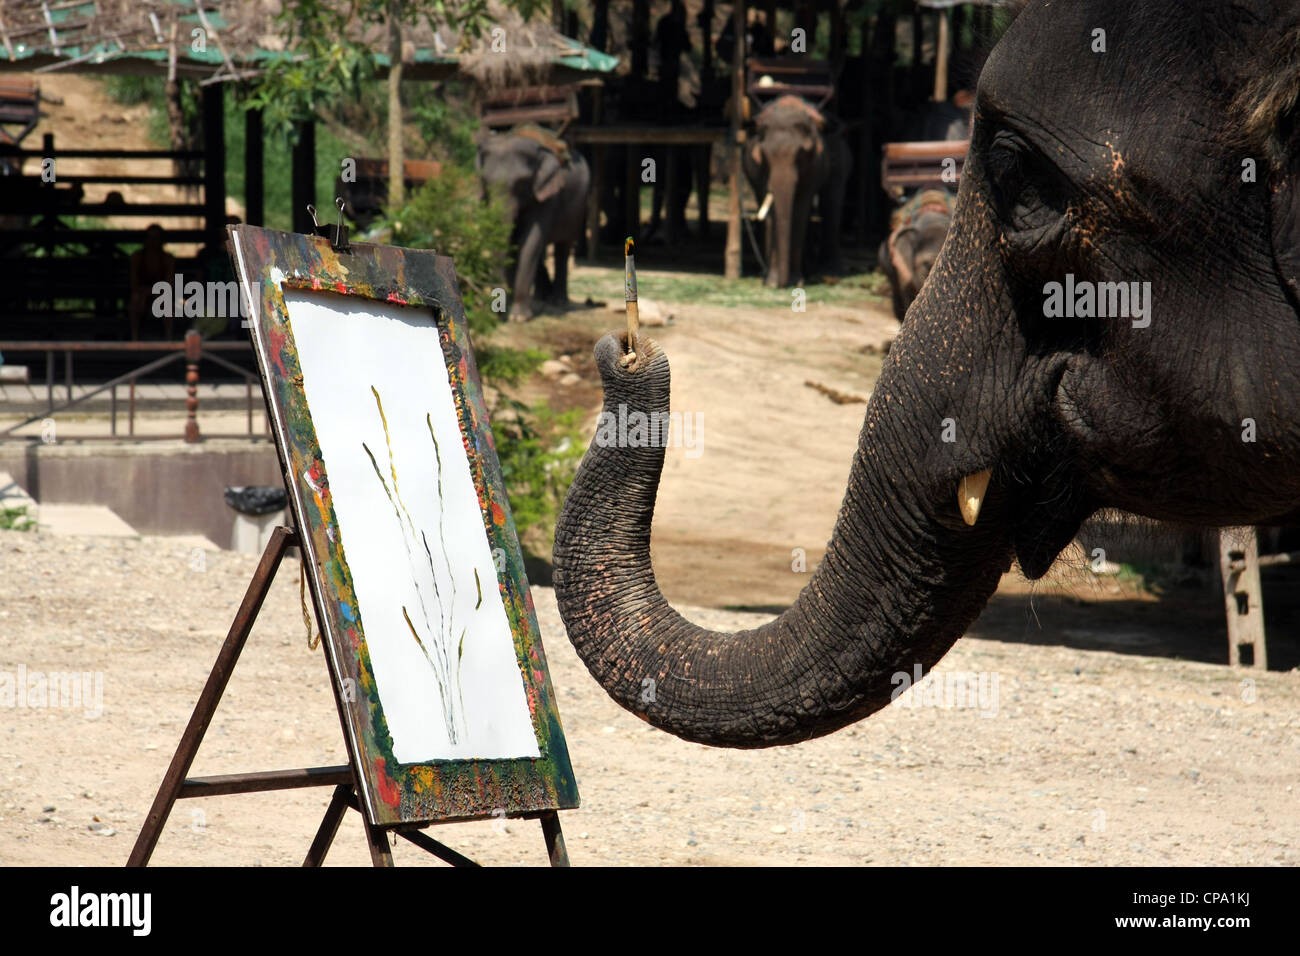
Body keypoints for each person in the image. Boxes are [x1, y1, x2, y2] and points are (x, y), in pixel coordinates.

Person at [128, 224, 176, 340]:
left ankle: (168, 336)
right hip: (141, 293)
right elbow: (134, 282)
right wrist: (145, 293)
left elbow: (170, 283)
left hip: (162, 293)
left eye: (156, 238)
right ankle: (135, 337)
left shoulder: (168, 258)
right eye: (150, 238)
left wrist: (155, 293)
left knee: (167, 302)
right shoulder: (137, 257)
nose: (153, 242)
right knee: (135, 300)